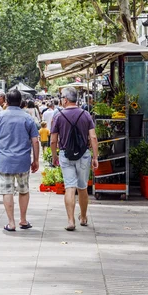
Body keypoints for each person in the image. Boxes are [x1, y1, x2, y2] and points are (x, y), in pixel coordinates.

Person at [0, 89, 39, 231]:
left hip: (4, 161)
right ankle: (23, 220)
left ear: (6, 101)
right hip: (23, 161)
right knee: (23, 190)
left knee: (7, 191)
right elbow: (35, 141)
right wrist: (36, 160)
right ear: (20, 101)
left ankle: (11, 223)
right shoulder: (27, 117)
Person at [50, 86, 99, 231]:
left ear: (65, 100)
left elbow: (53, 140)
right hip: (83, 155)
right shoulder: (86, 115)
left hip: (66, 155)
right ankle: (83, 217)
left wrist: (54, 156)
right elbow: (93, 137)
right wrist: (95, 157)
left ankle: (71, 221)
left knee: (69, 187)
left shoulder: (58, 116)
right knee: (82, 187)